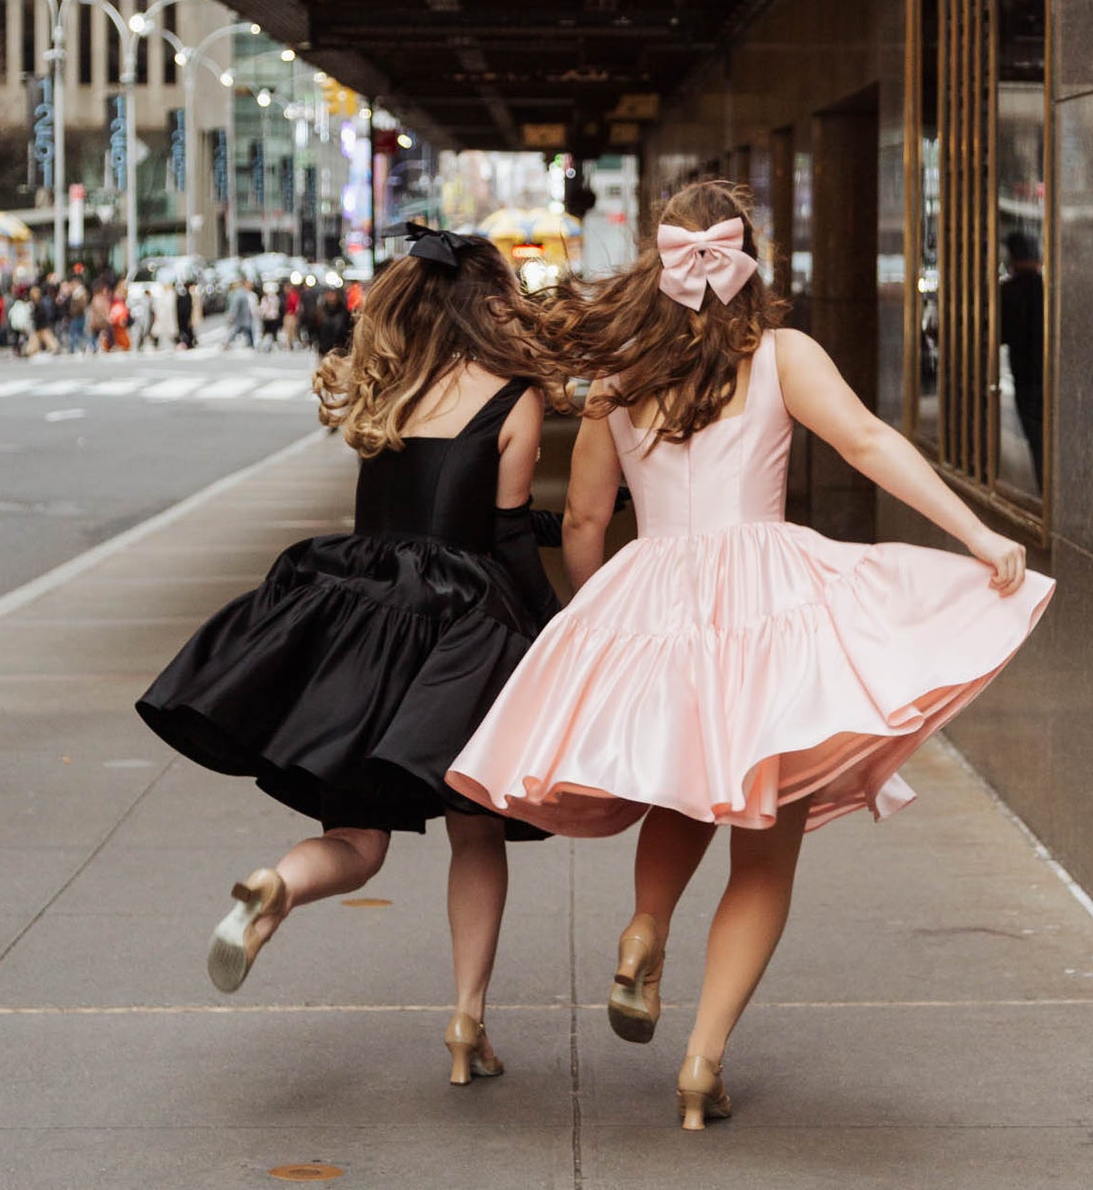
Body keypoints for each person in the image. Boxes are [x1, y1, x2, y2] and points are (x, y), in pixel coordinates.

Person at [449, 181, 1054, 1132]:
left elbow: (582, 517)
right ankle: (700, 1065)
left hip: (653, 592)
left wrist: (596, 609)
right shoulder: (779, 354)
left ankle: (644, 929)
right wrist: (973, 533)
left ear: (660, 258)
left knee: (685, 788)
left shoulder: (621, 372)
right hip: (768, 599)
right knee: (762, 850)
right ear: (744, 256)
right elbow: (865, 441)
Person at [136, 228, 562, 1084]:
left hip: (363, 614)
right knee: (477, 834)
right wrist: (555, 637)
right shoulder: (514, 398)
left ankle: (277, 885)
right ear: (491, 306)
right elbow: (506, 541)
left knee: (356, 837)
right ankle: (465, 1022)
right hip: (458, 630)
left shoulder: (387, 387)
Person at [999, 230, 1044, 490]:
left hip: (1025, 375)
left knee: (1037, 439)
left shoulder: (1008, 291)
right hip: (1048, 374)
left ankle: (1045, 488)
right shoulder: (1046, 288)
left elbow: (1002, 333)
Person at [224, 277, 256, 349]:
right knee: (237, 330)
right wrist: (232, 315)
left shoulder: (246, 293)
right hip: (241, 317)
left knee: (247, 330)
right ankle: (228, 343)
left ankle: (251, 344)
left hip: (245, 317)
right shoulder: (240, 293)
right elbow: (235, 305)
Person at [152, 282, 179, 350]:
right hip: (161, 316)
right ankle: (156, 345)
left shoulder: (171, 294)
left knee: (172, 331)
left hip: (169, 316)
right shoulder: (162, 295)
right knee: (157, 331)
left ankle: (177, 343)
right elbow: (157, 306)